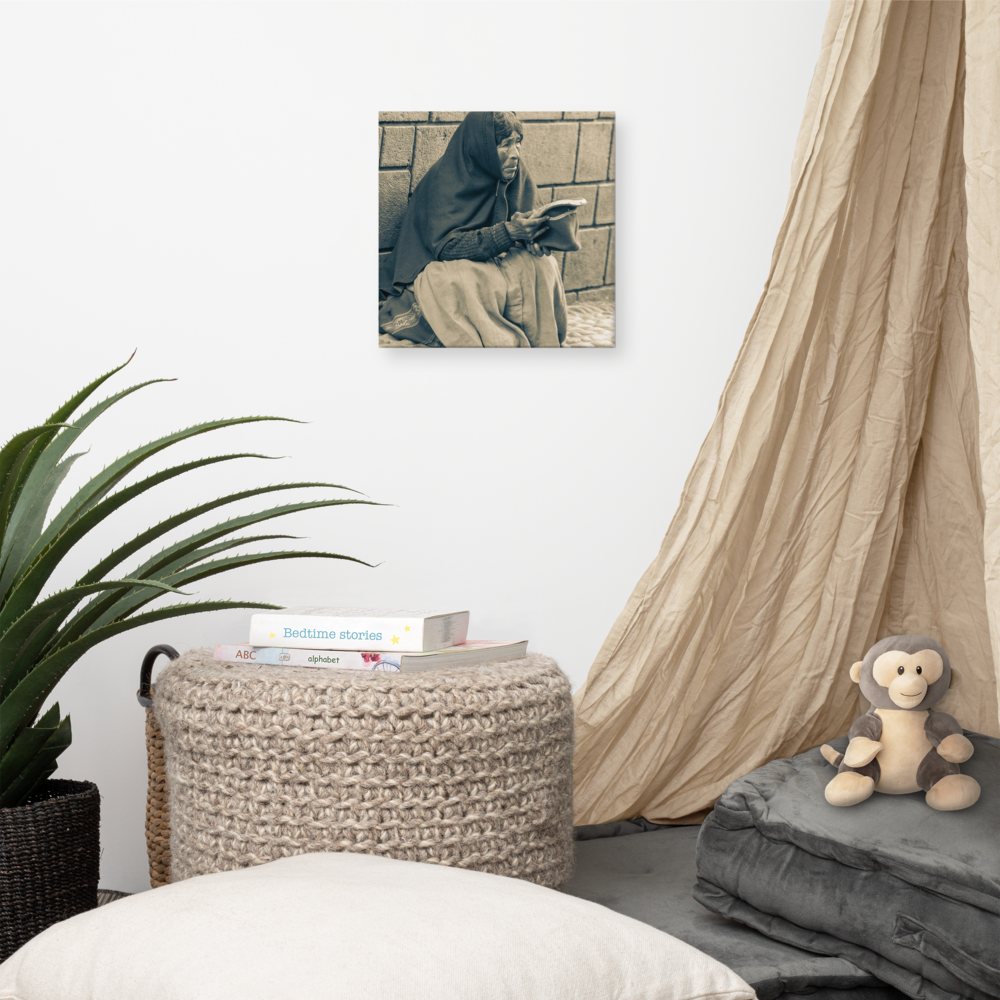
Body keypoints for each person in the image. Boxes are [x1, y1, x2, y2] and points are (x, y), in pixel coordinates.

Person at [379, 112, 568, 348]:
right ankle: (498, 342)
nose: (515, 155)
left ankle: (539, 341)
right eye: (505, 145)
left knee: (543, 265)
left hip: (494, 257)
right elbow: (446, 248)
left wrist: (535, 237)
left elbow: (527, 218)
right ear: (483, 149)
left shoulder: (516, 173)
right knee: (455, 280)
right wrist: (509, 233)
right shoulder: (444, 179)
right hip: (439, 262)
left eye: (517, 143)